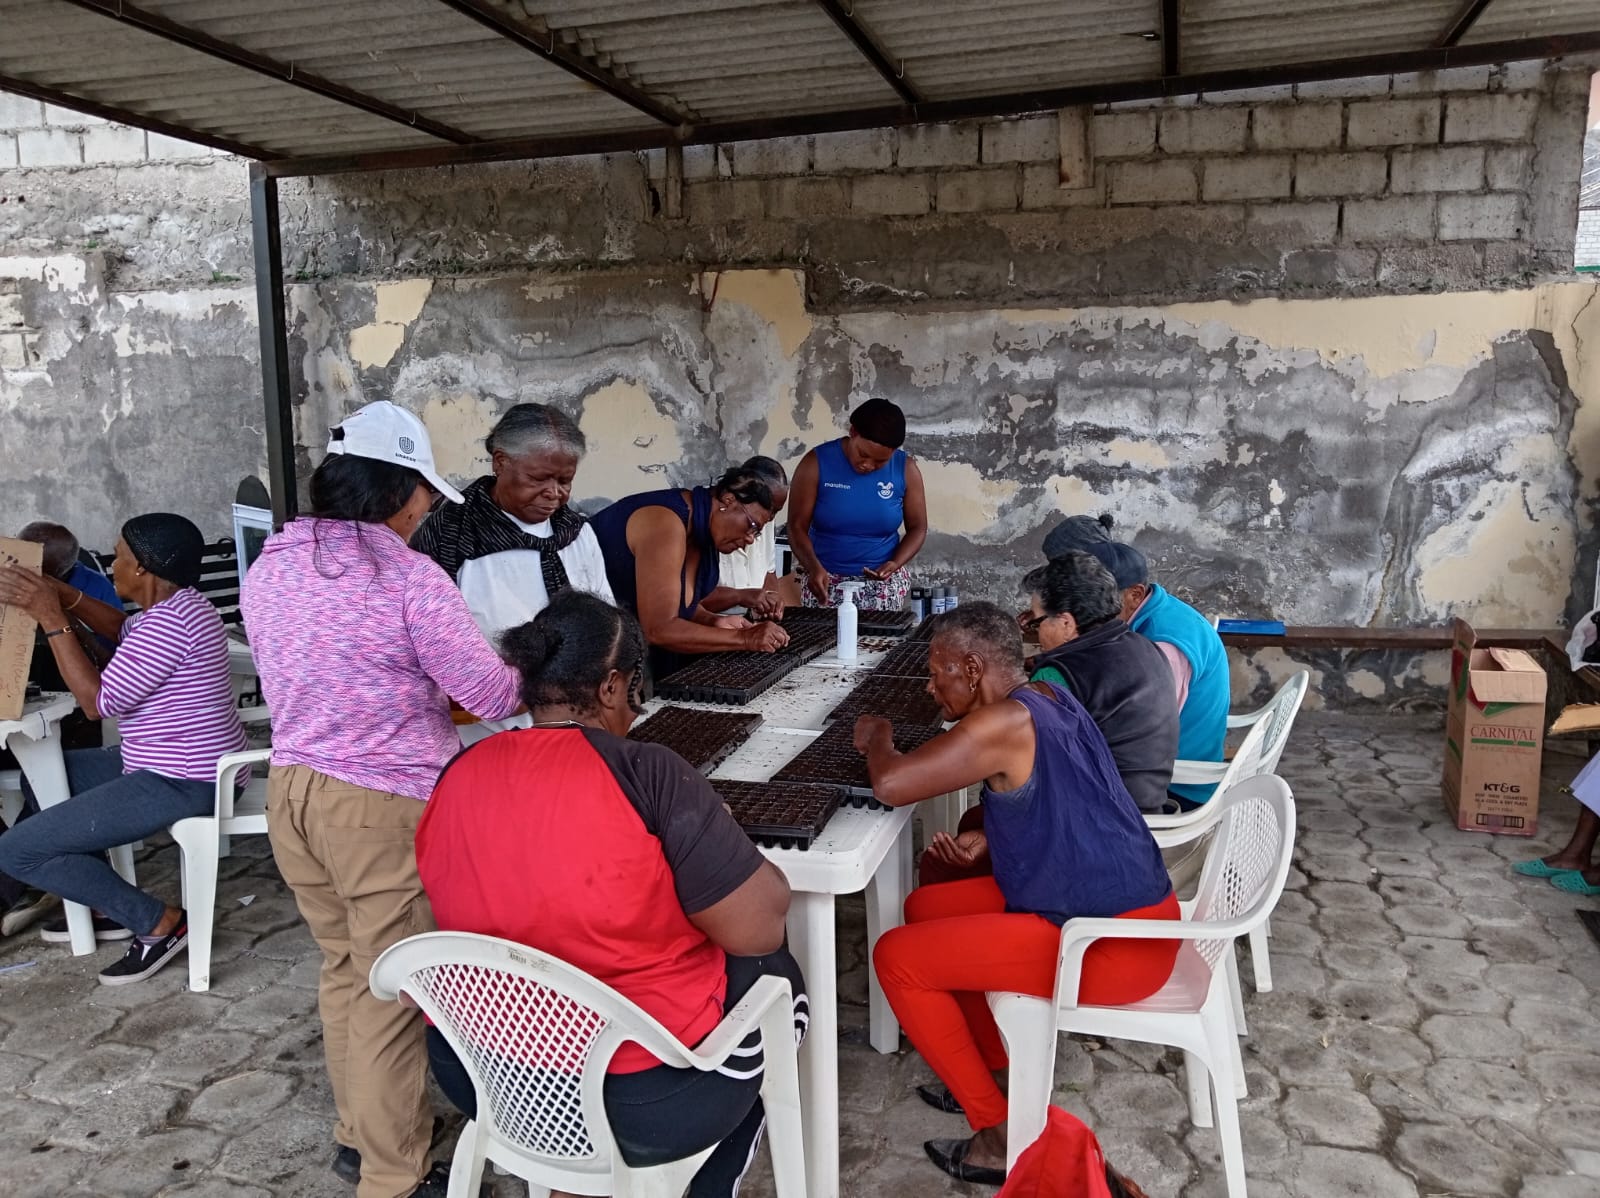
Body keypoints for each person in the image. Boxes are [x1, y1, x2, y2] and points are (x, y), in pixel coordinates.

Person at [417, 590, 806, 1198]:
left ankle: (572, 1185)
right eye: (634, 691)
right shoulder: (648, 772)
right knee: (780, 980)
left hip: (478, 1074)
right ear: (611, 687)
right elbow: (759, 928)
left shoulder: (457, 773)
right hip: (639, 1097)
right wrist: (720, 838)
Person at [241, 400, 525, 1198]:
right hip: (380, 802)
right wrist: (535, 662)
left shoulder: (273, 564)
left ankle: (358, 1133)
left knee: (344, 967)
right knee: (392, 988)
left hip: (293, 793)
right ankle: (393, 1176)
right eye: (424, 494)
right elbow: (488, 693)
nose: (426, 510)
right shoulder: (406, 577)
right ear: (398, 491)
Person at [856, 603, 1179, 1185]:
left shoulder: (1001, 724)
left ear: (972, 668)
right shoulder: (1048, 696)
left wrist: (878, 736)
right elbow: (1064, 798)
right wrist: (990, 837)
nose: (930, 688)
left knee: (896, 959)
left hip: (1113, 940)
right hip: (1115, 904)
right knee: (923, 908)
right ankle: (998, 1075)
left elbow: (892, 784)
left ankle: (999, 1135)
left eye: (937, 673)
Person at [0, 513, 248, 980]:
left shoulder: (168, 628)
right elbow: (121, 629)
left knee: (16, 851)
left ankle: (159, 922)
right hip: (177, 764)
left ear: (143, 569)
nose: (111, 565)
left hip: (183, 779)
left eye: (120, 557)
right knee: (48, 777)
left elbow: (95, 704)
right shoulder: (182, 606)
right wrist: (61, 593)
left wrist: (52, 617)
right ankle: (102, 902)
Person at [920, 552, 1180, 887]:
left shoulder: (1057, 676)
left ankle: (965, 908)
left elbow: (1023, 769)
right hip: (1147, 810)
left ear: (1067, 623)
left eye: (1037, 621)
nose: (1034, 631)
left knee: (945, 857)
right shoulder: (1145, 647)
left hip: (1096, 833)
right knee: (975, 820)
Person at [1043, 514, 1228, 807]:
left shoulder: (1164, 641)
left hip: (1176, 787)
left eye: (1103, 598)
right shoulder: (1148, 615)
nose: (1091, 607)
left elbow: (1142, 729)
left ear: (1135, 595)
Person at [409, 402, 613, 639]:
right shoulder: (450, 536)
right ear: (500, 462)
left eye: (565, 481)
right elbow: (428, 635)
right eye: (538, 479)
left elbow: (607, 624)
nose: (554, 492)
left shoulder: (577, 533)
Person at [589, 465, 790, 677]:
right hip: (592, 652)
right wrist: (746, 638)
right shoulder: (666, 524)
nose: (750, 539)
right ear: (728, 500)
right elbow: (659, 629)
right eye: (751, 525)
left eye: (756, 533)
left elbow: (679, 604)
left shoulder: (701, 535)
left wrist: (713, 621)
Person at [786, 397, 927, 611]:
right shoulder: (816, 463)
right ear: (853, 432)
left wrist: (895, 563)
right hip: (824, 580)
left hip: (881, 585)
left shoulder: (906, 470)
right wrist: (813, 567)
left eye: (880, 462)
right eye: (863, 455)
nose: (868, 465)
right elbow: (796, 526)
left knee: (879, 634)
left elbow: (918, 527)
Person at [707, 455, 795, 615]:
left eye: (776, 511)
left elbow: (769, 572)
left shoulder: (764, 520)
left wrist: (771, 600)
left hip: (746, 621)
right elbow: (689, 602)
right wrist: (740, 597)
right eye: (769, 508)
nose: (770, 518)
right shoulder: (708, 522)